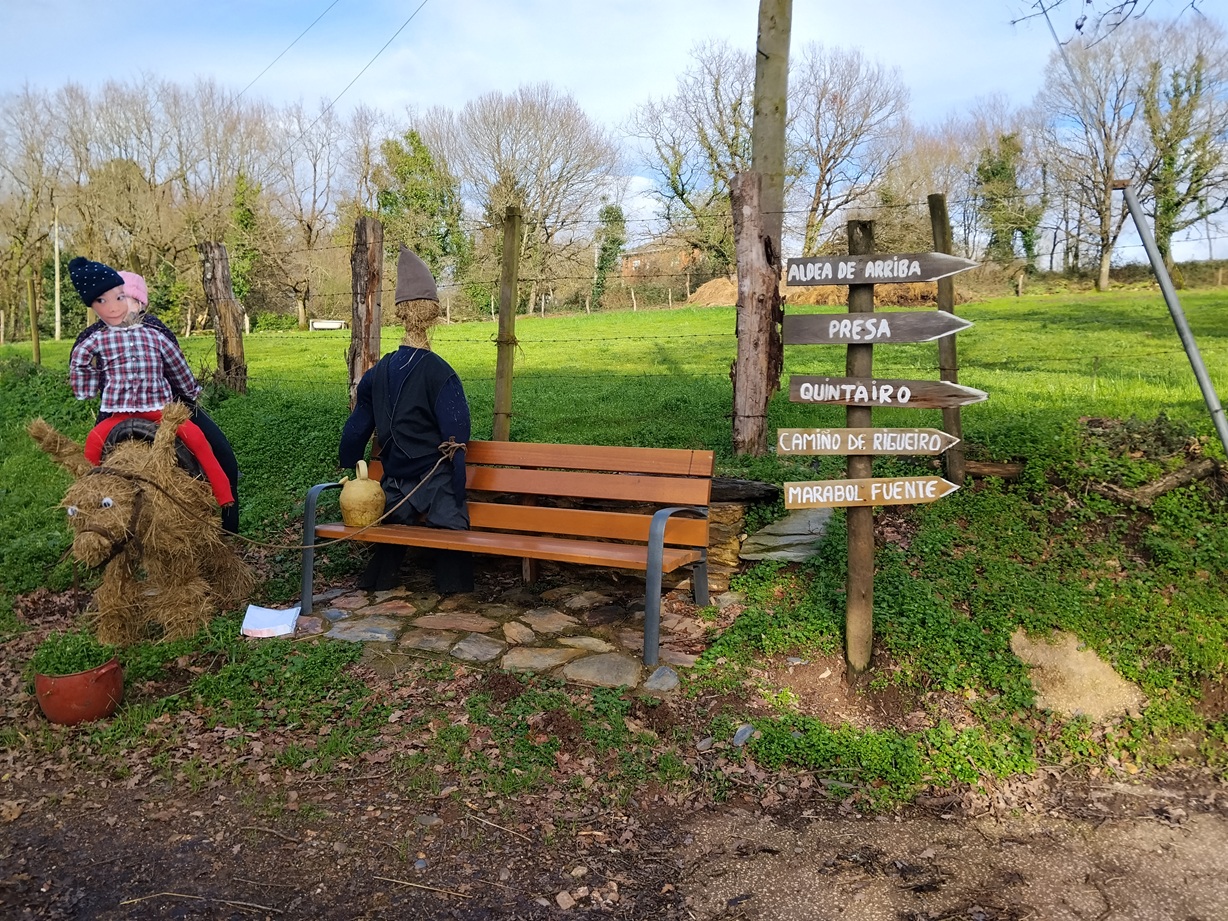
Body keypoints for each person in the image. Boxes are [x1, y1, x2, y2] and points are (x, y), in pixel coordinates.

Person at [339, 245, 473, 593]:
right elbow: (457, 437)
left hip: (395, 482)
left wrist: (347, 459)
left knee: (391, 527)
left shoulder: (376, 374)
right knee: (451, 527)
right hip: (436, 481)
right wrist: (458, 487)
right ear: (432, 314)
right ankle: (453, 589)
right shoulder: (440, 373)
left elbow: (356, 431)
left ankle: (379, 581)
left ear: (400, 314)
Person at [67, 257, 237, 524]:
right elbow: (83, 370)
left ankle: (227, 517)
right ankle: (89, 513)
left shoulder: (156, 330)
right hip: (117, 409)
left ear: (141, 305)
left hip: (170, 404)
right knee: (93, 451)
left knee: (220, 452)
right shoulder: (95, 335)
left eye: (133, 301)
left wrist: (189, 396)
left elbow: (178, 371)